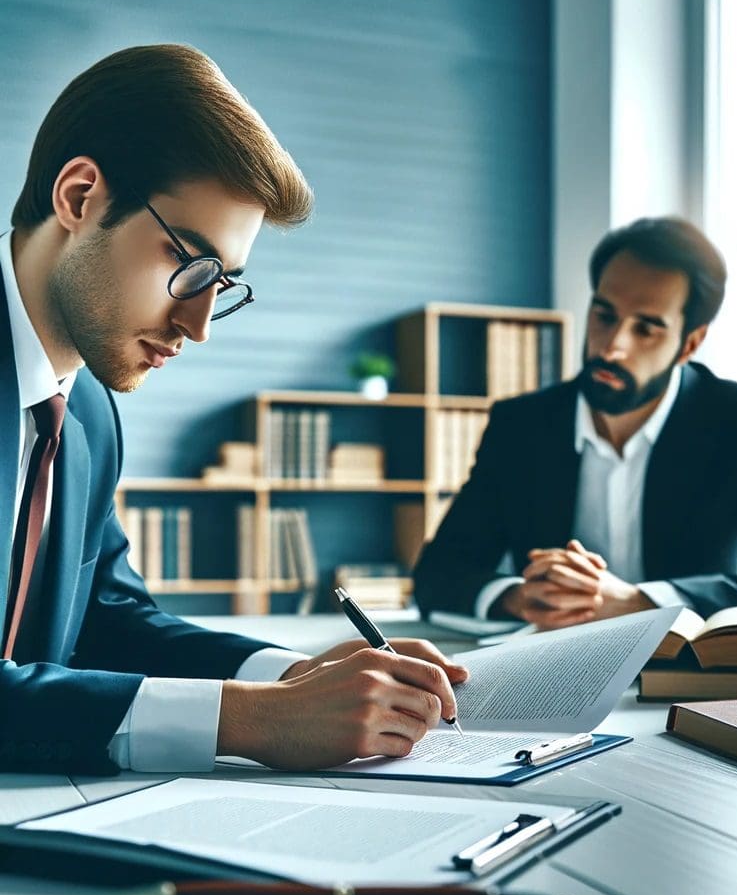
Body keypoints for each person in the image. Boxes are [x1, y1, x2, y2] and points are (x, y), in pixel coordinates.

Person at [0, 44, 466, 777]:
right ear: (80, 196)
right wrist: (251, 721)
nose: (199, 325)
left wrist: (295, 676)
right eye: (187, 262)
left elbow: (110, 623)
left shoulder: (85, 411)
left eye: (224, 283)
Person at [414, 216, 737, 629]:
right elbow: (437, 574)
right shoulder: (521, 426)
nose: (613, 347)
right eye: (604, 316)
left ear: (689, 343)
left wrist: (641, 603)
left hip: (693, 687)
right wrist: (520, 598)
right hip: (557, 673)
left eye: (646, 329)